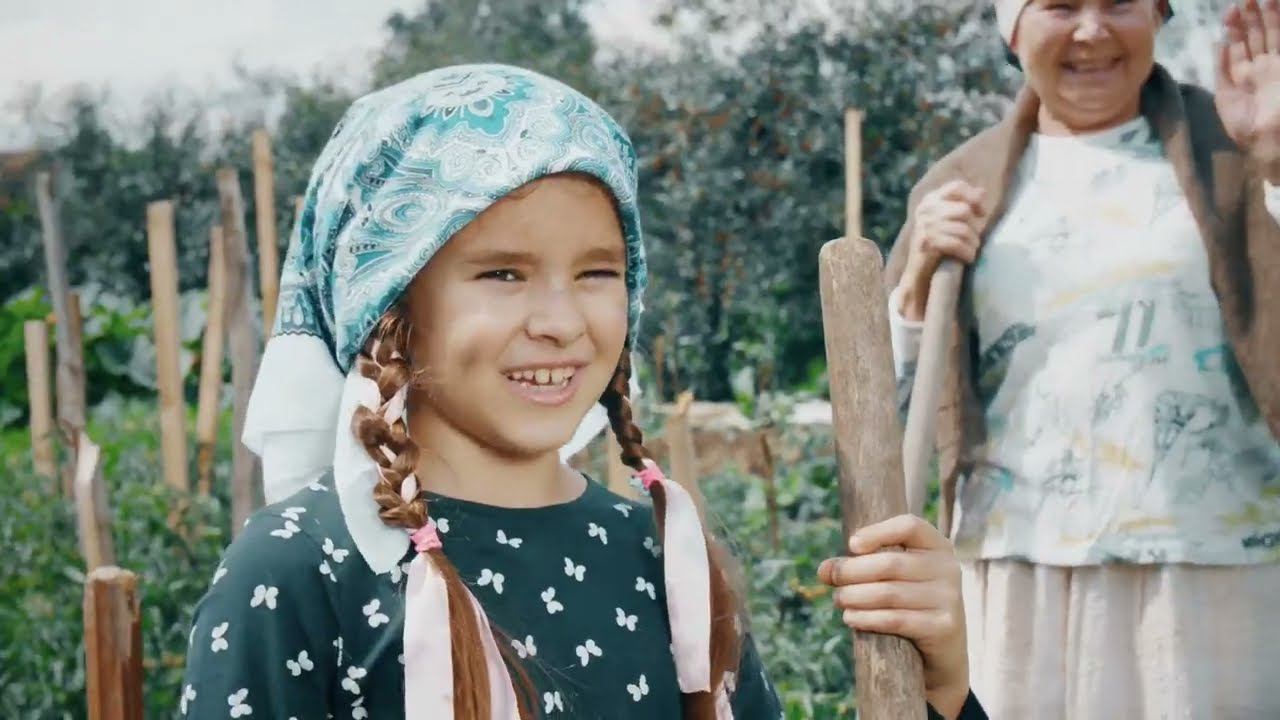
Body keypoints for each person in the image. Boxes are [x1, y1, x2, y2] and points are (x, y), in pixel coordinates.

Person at [178, 64, 985, 719]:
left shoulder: (661, 557)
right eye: (504, 273)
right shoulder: (303, 568)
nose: (561, 322)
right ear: (388, 304)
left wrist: (941, 689)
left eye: (597, 272)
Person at [885, 0, 1280, 717]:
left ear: (1159, 16)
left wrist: (1277, 164)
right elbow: (890, 408)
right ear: (1013, 29)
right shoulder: (962, 183)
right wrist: (915, 286)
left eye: (1120, 3)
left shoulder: (1235, 152)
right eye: (1061, 5)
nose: (1092, 30)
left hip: (1212, 568)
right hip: (1019, 569)